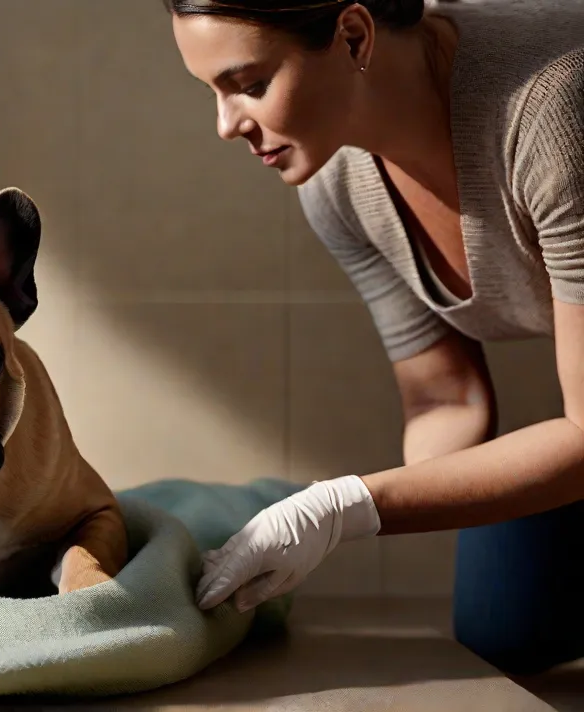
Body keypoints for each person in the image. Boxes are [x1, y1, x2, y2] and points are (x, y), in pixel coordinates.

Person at [164, 0, 584, 676]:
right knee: (499, 630)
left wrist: (346, 506)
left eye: (249, 84)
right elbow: (447, 402)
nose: (226, 125)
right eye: (212, 91)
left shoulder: (555, 111)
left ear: (354, 34)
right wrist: (321, 526)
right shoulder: (334, 182)